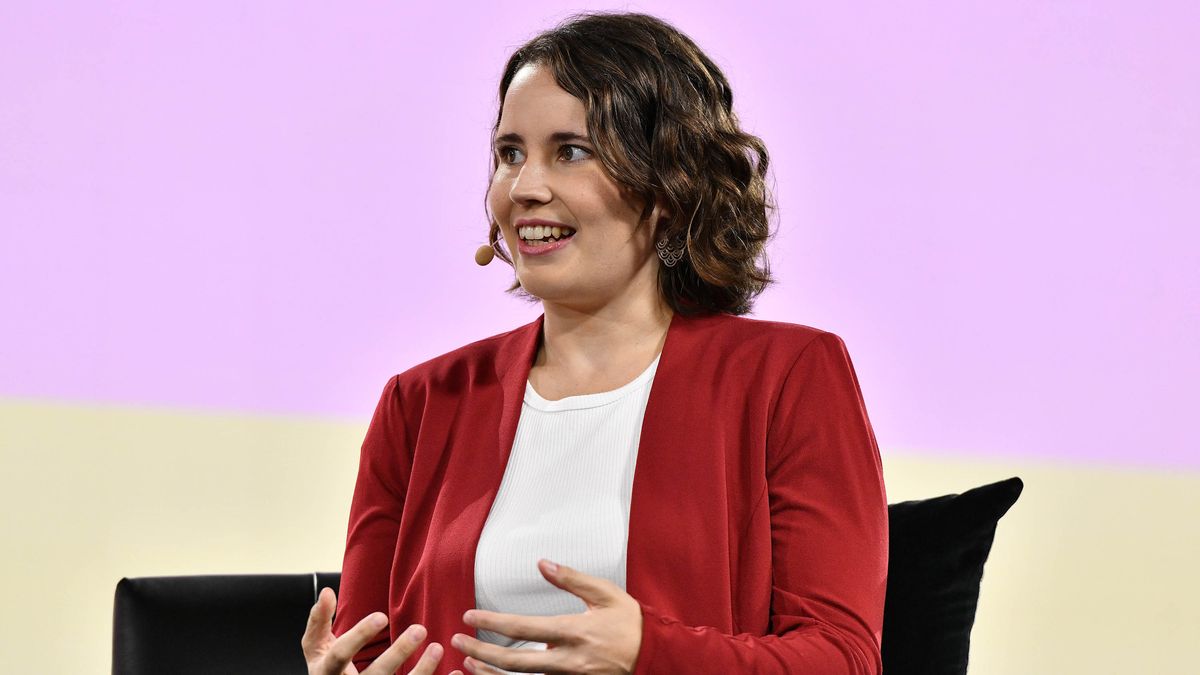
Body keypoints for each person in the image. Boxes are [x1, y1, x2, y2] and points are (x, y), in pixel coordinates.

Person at [302, 11, 887, 675]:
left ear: (669, 185)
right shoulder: (422, 402)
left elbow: (842, 659)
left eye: (570, 152)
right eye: (509, 153)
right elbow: (370, 646)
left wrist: (648, 651)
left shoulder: (788, 375)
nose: (524, 188)